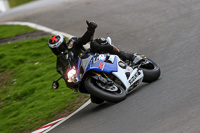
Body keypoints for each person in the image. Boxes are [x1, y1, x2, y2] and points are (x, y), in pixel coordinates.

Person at [48, 21, 143, 89]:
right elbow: (65, 76)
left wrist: (90, 29)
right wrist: (68, 80)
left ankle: (130, 57)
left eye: (60, 47)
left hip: (91, 57)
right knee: (96, 100)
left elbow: (83, 40)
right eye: (55, 50)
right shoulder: (60, 63)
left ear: (64, 43)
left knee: (97, 43)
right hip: (82, 73)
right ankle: (103, 87)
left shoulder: (72, 43)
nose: (59, 50)